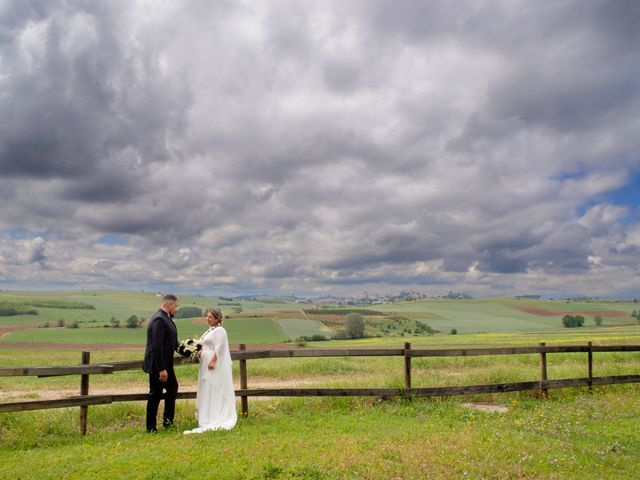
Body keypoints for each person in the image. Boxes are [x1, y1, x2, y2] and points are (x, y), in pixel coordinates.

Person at [184, 308, 237, 434]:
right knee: (207, 389)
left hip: (213, 365)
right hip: (205, 364)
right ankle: (207, 415)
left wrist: (213, 360)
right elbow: (206, 345)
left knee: (214, 388)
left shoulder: (220, 330)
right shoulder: (210, 330)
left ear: (217, 319)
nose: (207, 319)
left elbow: (220, 348)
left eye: (210, 317)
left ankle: (216, 416)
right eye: (207, 316)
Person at [143, 294, 180, 433]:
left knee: (171, 389)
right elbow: (156, 346)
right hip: (158, 366)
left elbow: (172, 341)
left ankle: (168, 422)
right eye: (175, 306)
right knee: (155, 394)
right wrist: (162, 369)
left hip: (165, 365)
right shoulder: (159, 319)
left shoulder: (166, 318)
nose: (176, 309)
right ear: (169, 304)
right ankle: (151, 427)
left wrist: (187, 350)